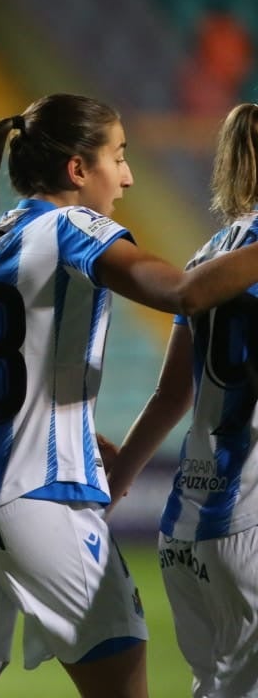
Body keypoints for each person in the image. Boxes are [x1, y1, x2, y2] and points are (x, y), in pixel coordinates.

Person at [0, 93, 258, 698]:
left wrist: (78, 430)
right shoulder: (77, 226)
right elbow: (186, 292)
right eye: (119, 157)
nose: (128, 176)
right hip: (36, 498)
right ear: (78, 170)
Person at [106, 102, 258, 698]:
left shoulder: (209, 253)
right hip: (250, 511)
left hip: (188, 524)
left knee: (214, 685)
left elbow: (172, 392)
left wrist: (118, 479)